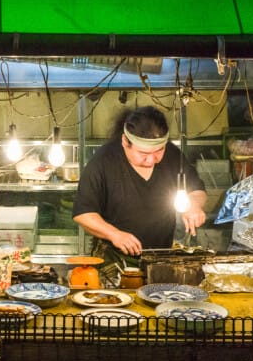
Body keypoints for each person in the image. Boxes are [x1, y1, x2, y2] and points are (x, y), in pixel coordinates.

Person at [72, 105, 207, 258]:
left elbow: (197, 189)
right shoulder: (103, 161)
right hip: (115, 258)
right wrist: (115, 234)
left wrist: (194, 205)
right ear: (125, 141)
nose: (151, 160)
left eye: (159, 150)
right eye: (143, 153)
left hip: (161, 255)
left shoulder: (172, 155)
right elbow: (83, 213)